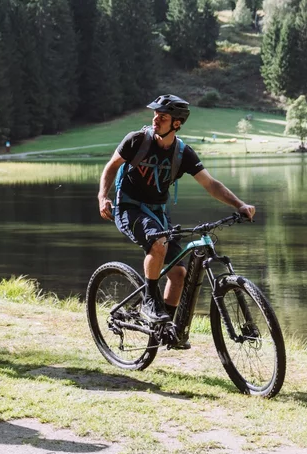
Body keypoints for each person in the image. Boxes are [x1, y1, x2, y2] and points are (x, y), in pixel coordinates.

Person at [97, 95, 256, 325]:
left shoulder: (183, 154)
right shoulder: (137, 140)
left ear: (176, 123)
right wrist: (103, 196)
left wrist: (239, 205)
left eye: (162, 117)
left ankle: (165, 327)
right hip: (128, 208)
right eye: (155, 115)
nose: (155, 119)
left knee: (179, 274)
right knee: (158, 242)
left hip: (158, 212)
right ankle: (151, 301)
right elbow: (111, 167)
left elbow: (211, 184)